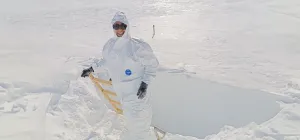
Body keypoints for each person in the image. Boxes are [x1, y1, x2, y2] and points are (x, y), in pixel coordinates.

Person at [81, 11, 159, 140]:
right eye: (116, 26)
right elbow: (106, 62)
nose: (119, 30)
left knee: (140, 124)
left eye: (122, 26)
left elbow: (152, 65)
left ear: (127, 26)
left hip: (137, 94)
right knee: (130, 121)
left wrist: (145, 84)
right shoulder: (110, 46)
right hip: (122, 95)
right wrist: (91, 69)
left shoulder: (137, 47)